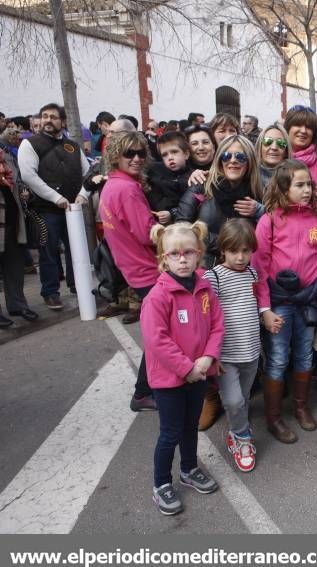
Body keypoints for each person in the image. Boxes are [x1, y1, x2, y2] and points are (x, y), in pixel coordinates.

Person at [252, 160, 317, 443]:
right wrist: (265, 309)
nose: (307, 190)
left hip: (308, 301)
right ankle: (274, 417)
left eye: (309, 184)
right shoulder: (269, 220)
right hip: (279, 302)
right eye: (300, 185)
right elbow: (260, 267)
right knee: (279, 357)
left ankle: (301, 407)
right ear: (283, 188)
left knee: (305, 354)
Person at [142, 221, 222, 516]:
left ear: (199, 254)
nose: (183, 259)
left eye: (188, 252)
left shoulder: (204, 288)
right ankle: (161, 483)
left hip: (198, 373)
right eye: (175, 254)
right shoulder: (158, 297)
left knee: (191, 425)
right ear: (164, 259)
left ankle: (189, 469)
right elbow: (156, 340)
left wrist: (208, 357)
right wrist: (186, 367)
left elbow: (217, 325)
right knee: (171, 432)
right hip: (169, 380)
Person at [98, 132, 160, 411]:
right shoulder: (127, 189)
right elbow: (147, 234)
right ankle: (143, 392)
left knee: (158, 331)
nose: (136, 158)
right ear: (116, 156)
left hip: (133, 267)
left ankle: (148, 388)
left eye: (140, 153)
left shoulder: (113, 185)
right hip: (146, 269)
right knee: (160, 333)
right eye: (129, 154)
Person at [203, 219, 270, 473]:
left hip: (251, 352)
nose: (241, 257)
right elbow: (208, 317)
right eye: (234, 251)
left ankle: (236, 429)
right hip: (226, 356)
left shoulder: (253, 273)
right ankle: (242, 439)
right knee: (233, 401)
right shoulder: (215, 277)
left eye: (246, 251)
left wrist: (267, 315)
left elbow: (259, 298)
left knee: (242, 398)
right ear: (223, 250)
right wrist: (212, 354)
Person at [18, 103, 91, 310]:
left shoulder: (73, 146)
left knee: (76, 250)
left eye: (53, 116)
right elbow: (29, 176)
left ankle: (78, 286)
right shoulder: (30, 144)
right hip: (46, 210)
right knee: (48, 252)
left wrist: (83, 195)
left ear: (63, 121)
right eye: (44, 116)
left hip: (73, 210)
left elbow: (87, 173)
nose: (48, 120)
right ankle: (50, 292)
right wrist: (55, 197)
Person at [177, 135, 263, 269]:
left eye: (240, 157)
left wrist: (259, 211)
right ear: (219, 160)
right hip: (204, 268)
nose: (233, 161)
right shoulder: (201, 184)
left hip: (241, 273)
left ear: (249, 161)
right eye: (227, 156)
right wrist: (227, 243)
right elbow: (181, 226)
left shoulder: (257, 194)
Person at [0, 150, 37, 327]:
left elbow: (18, 179)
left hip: (13, 220)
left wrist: (23, 189)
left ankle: (18, 305)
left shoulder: (5, 155)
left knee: (14, 266)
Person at [144, 131, 192, 225]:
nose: (170, 158)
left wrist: (172, 213)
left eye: (174, 152)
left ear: (186, 154)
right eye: (164, 155)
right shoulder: (154, 174)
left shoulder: (193, 176)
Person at [284, 106, 317, 183]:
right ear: (288, 128)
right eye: (298, 125)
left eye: (309, 127)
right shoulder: (278, 156)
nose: (303, 131)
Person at [255, 122, 292, 189]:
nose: (274, 147)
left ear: (286, 150)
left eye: (281, 143)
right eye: (268, 141)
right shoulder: (248, 176)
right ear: (259, 147)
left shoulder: (295, 177)